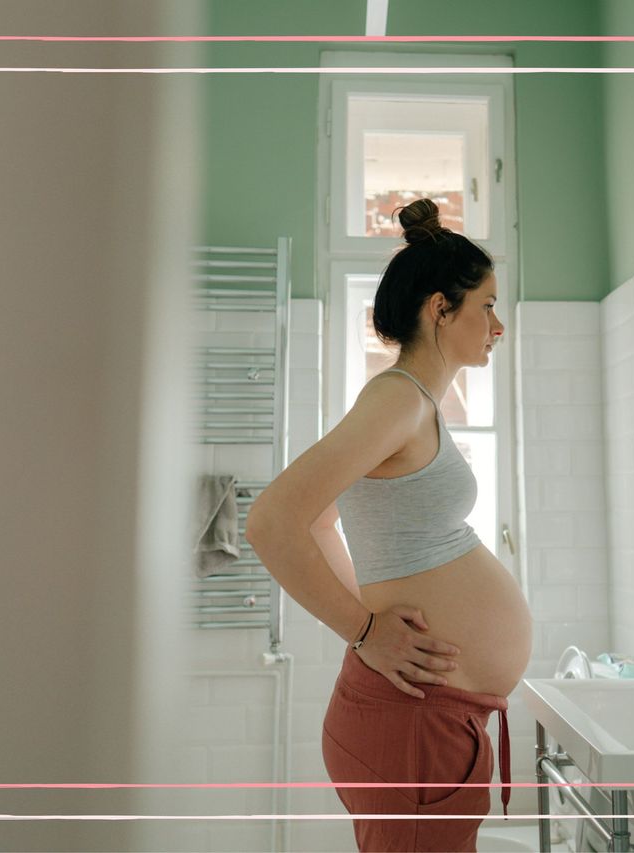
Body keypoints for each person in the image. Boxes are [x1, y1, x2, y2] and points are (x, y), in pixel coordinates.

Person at [245, 198, 533, 852]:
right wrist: (365, 629)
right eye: (486, 305)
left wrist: (370, 624)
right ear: (440, 308)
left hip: (425, 718)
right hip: (411, 722)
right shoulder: (399, 397)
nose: (498, 325)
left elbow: (320, 520)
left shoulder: (415, 402)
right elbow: (271, 520)